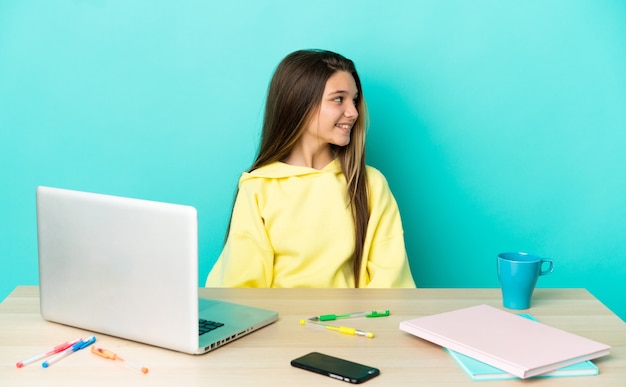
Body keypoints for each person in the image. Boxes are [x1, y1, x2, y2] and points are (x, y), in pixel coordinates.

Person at [206, 49, 415, 288]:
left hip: (352, 323)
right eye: (339, 99)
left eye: (354, 100)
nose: (353, 112)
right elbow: (242, 290)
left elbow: (391, 283)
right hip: (280, 324)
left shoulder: (370, 184)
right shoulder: (258, 188)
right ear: (300, 103)